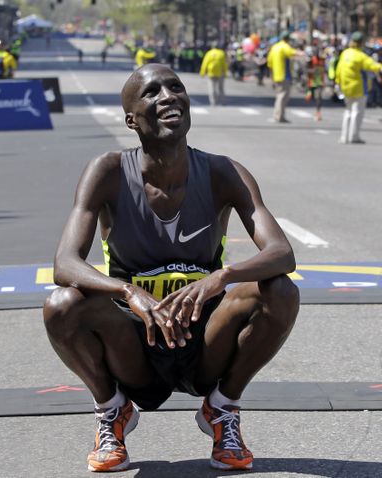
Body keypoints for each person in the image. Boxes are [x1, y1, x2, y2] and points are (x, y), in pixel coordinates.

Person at [43, 63, 300, 473]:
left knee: (280, 290)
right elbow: (65, 262)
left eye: (175, 87)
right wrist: (128, 293)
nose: (167, 96)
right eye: (152, 92)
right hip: (135, 343)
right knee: (62, 304)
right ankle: (112, 410)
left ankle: (222, 408)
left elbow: (281, 253)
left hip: (203, 342)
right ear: (131, 119)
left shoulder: (223, 171)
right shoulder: (107, 171)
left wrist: (221, 278)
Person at [335, 31, 382, 144]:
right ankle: (354, 136)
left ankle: (344, 137)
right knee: (357, 112)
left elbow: (339, 70)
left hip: (345, 87)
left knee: (347, 112)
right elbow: (373, 66)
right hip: (359, 87)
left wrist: (338, 83)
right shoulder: (360, 56)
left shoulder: (345, 53)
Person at [267, 31, 304, 122]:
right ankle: (279, 116)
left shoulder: (274, 48)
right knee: (283, 96)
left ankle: (278, 115)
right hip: (284, 75)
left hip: (276, 75)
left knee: (280, 95)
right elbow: (291, 52)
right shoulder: (284, 46)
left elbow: (269, 63)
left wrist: (271, 76)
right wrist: (302, 53)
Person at [305, 46, 326, 121]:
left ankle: (318, 112)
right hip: (311, 82)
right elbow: (307, 70)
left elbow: (324, 70)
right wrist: (312, 70)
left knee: (319, 98)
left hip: (319, 82)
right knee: (309, 98)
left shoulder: (322, 60)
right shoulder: (311, 60)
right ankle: (316, 111)